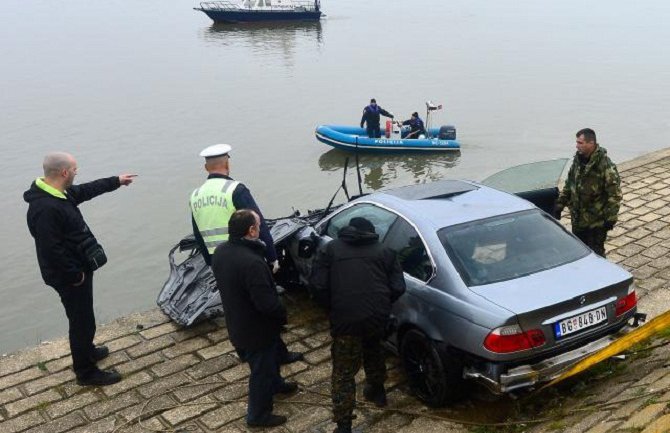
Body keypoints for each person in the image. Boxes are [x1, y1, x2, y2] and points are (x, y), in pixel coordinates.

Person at [23, 152, 136, 386]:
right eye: (75, 169)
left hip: (78, 269)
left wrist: (115, 181)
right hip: (70, 276)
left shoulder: (59, 193)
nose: (77, 173)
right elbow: (51, 250)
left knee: (84, 317)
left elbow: (86, 190)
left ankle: (87, 351)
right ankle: (86, 372)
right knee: (81, 321)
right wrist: (75, 275)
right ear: (64, 172)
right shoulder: (45, 208)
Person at [189, 143, 303, 365]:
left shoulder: (195, 195)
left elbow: (198, 235)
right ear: (227, 164)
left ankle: (259, 350)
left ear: (206, 168)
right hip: (246, 258)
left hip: (220, 261)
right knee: (263, 305)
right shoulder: (235, 190)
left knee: (234, 306)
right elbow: (258, 224)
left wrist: (211, 263)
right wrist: (272, 257)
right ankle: (272, 355)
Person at [310, 217, 406, 433]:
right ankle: (377, 391)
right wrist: (381, 304)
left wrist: (333, 307)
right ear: (371, 232)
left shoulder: (330, 250)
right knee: (374, 350)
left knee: (343, 373)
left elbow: (317, 285)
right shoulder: (386, 252)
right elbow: (398, 287)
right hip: (377, 317)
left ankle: (344, 425)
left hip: (346, 320)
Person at [211, 209, 298, 428]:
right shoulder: (252, 263)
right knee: (261, 370)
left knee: (268, 362)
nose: (261, 228)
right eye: (259, 225)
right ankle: (258, 415)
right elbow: (266, 303)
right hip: (257, 330)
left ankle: (276, 384)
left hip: (237, 322)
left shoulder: (221, 252)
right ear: (251, 231)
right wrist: (282, 313)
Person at [554, 128, 622, 257]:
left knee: (596, 255)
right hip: (578, 220)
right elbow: (570, 184)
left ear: (591, 144)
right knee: (579, 253)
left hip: (596, 223)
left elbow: (614, 195)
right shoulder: (577, 161)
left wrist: (610, 219)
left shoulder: (605, 166)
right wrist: (560, 204)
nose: (577, 146)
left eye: (580, 143)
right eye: (577, 142)